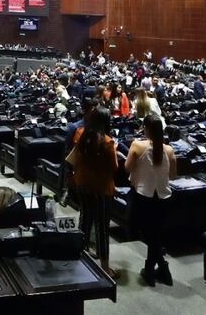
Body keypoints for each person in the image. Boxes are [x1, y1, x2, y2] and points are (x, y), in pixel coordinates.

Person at [125, 115, 177, 286]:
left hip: (143, 196)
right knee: (155, 234)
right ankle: (160, 268)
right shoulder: (169, 150)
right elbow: (173, 175)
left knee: (150, 235)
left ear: (145, 128)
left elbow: (127, 168)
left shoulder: (137, 145)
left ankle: (151, 269)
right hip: (163, 197)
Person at [70, 107, 118, 277]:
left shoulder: (80, 133)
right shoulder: (107, 142)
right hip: (101, 188)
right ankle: (105, 267)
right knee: (102, 227)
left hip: (81, 184)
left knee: (84, 219)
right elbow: (114, 167)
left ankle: (79, 257)